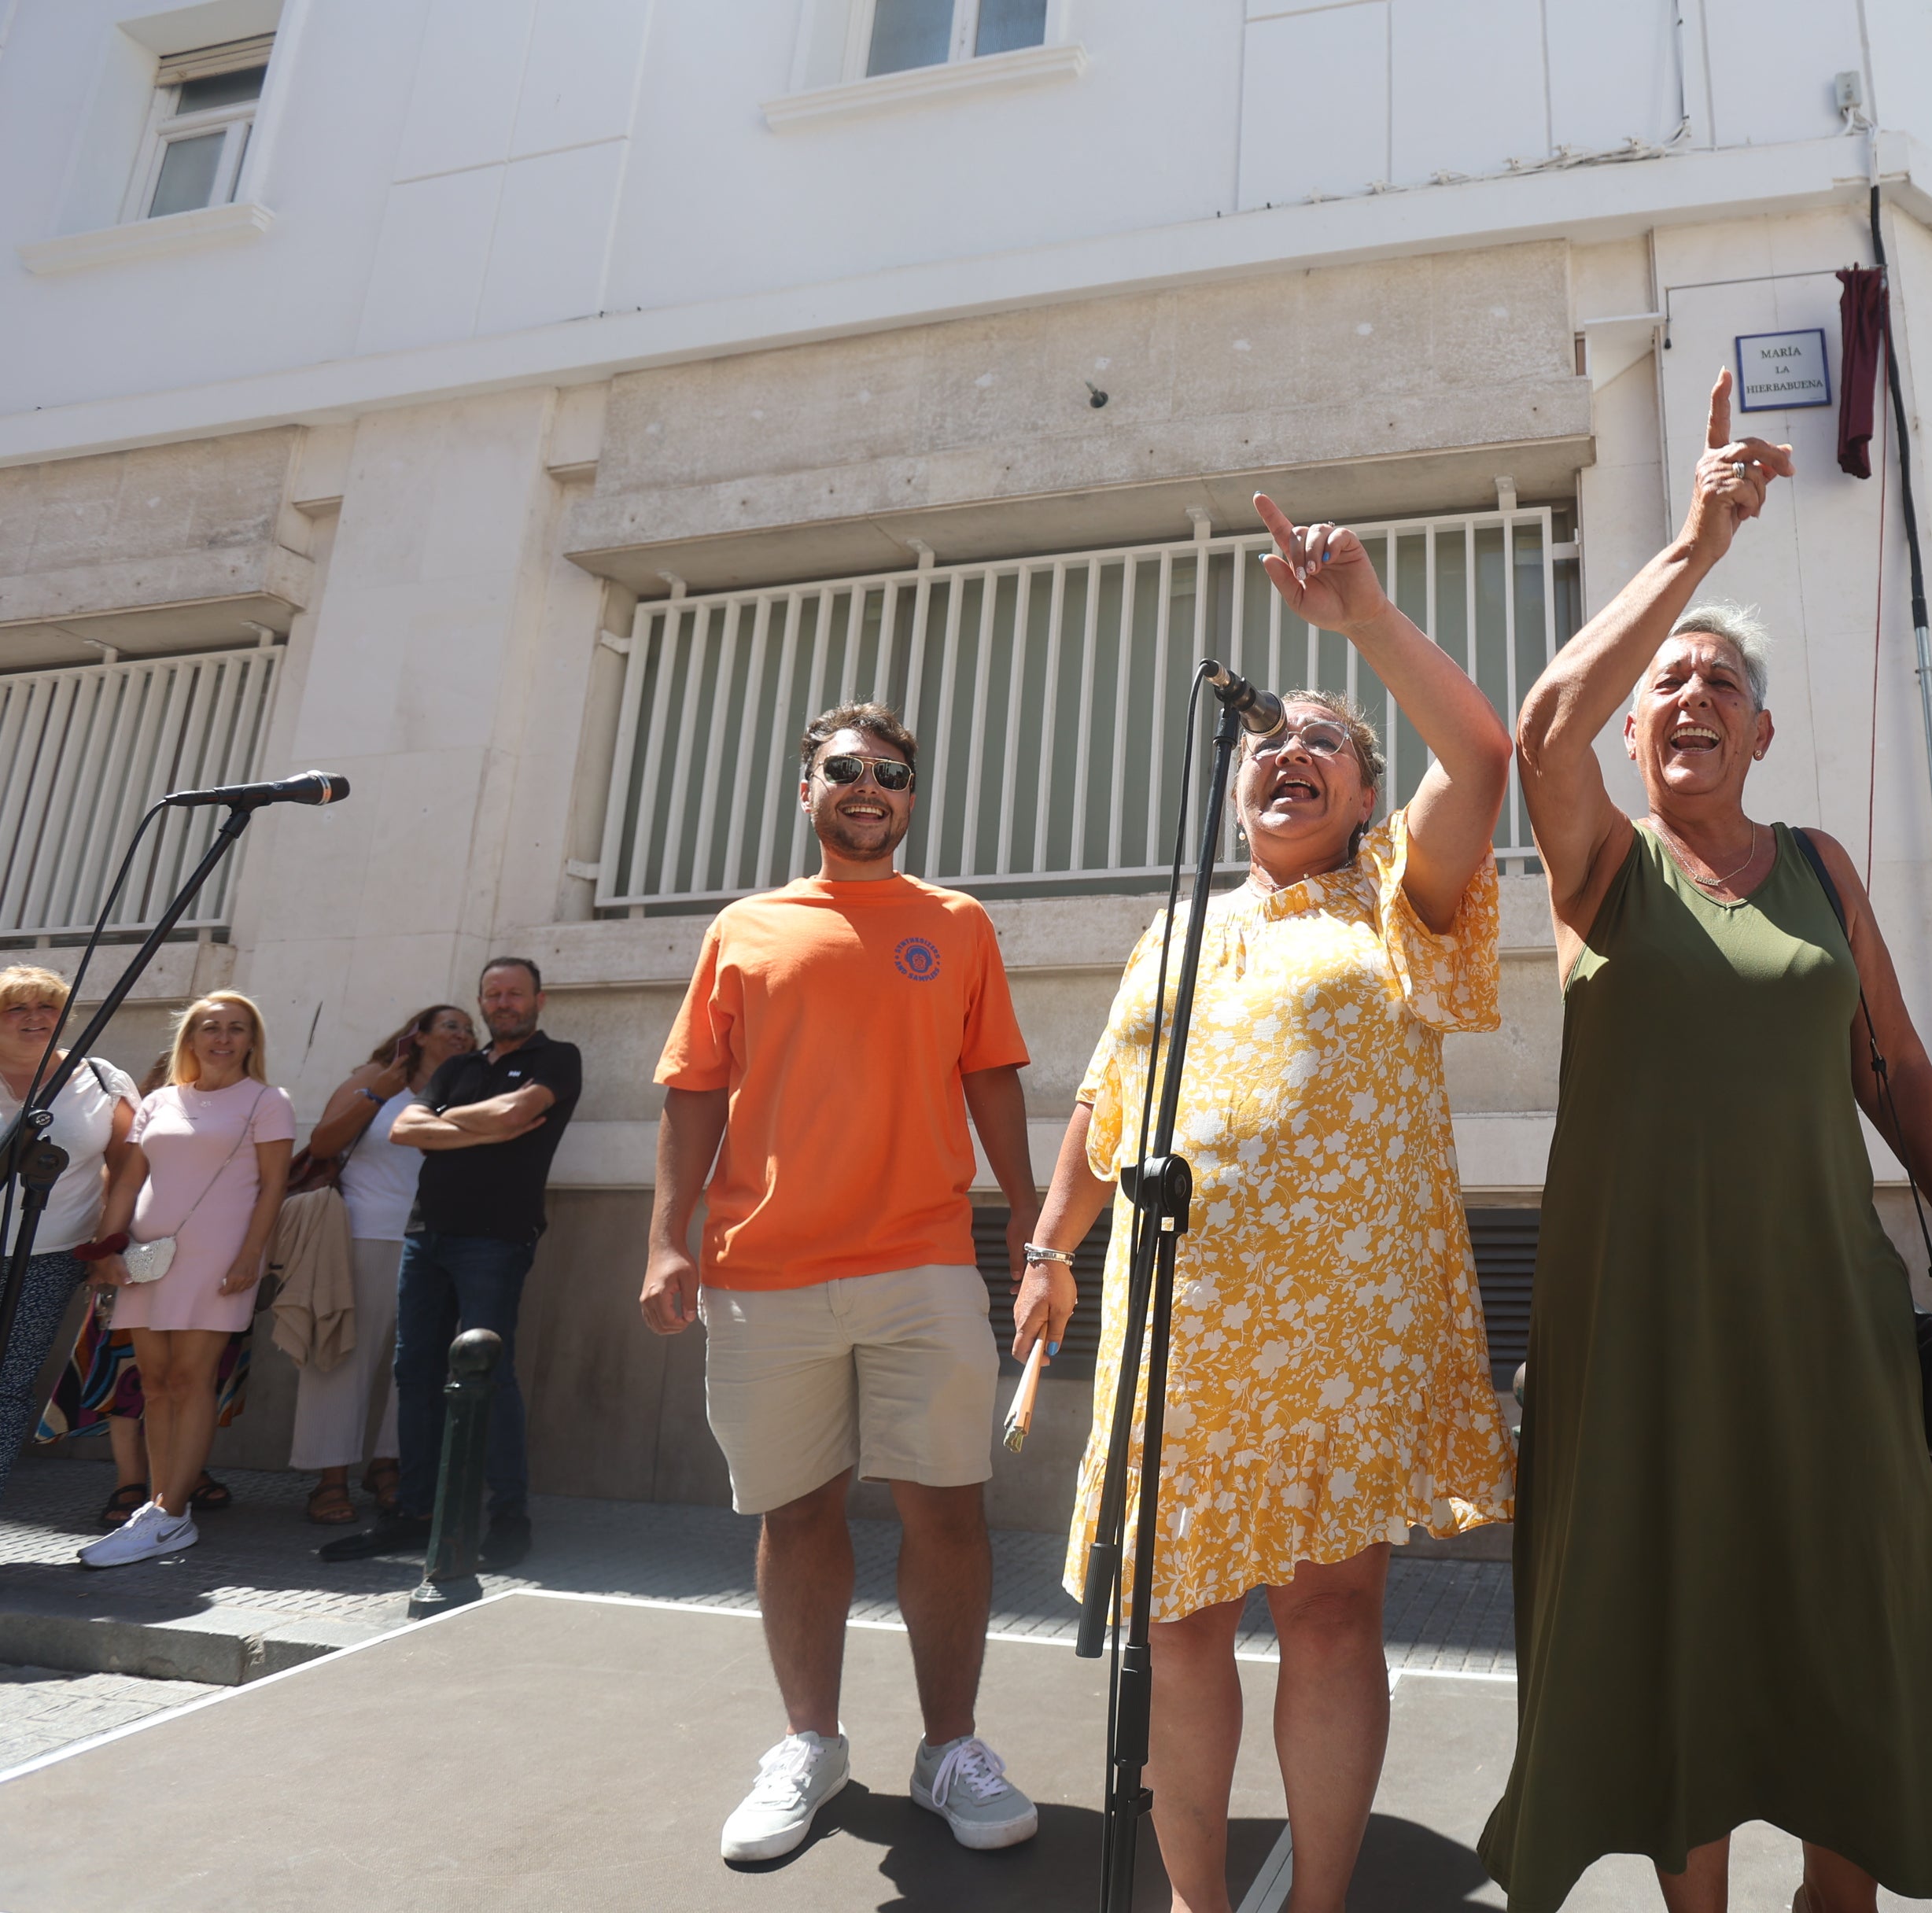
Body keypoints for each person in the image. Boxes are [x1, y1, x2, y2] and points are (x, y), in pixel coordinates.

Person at [1480, 372, 1932, 1913]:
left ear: (1762, 730)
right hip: (1638, 1324)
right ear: (1637, 730)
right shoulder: (1604, 871)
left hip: (1821, 1313)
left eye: (1720, 682)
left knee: (1850, 1606)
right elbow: (1540, 726)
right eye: (1669, 685)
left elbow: (1894, 1066)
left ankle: (1834, 1899)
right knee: (1671, 1623)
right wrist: (1695, 548)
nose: (1691, 694)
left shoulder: (1824, 871)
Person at [1009, 495, 1517, 1913]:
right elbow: (1108, 1113)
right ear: (1235, 787)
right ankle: (1192, 1900)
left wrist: (1361, 621)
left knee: (1330, 1607)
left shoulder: (1394, 900)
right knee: (1174, 1624)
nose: (1290, 751)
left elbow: (1481, 756)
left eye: (1325, 743)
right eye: (1267, 742)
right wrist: (1052, 1247)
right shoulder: (1175, 924)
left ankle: (1318, 1902)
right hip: (1178, 1323)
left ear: (1362, 796)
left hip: (1338, 1330)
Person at [645, 702, 1045, 1866]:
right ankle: (810, 1745)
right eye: (846, 770)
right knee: (798, 1512)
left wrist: (1031, 1214)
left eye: (893, 773)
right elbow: (692, 1095)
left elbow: (993, 1079)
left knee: (947, 1508)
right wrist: (665, 1239)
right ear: (806, 789)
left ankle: (951, 1748)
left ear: (912, 798)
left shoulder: (958, 925)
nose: (870, 785)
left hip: (923, 1260)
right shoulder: (745, 928)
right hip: (762, 1272)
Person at [324, 959, 580, 1570]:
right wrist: (483, 1131)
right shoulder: (461, 1067)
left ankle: (507, 1518)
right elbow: (406, 1129)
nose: (504, 1002)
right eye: (493, 994)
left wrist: (460, 1125)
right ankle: (417, 1512)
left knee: (490, 1376)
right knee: (415, 1374)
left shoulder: (556, 1058)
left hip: (496, 1238)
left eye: (515, 993)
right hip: (425, 1235)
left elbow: (519, 1115)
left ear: (538, 999)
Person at [77, 994, 293, 1569]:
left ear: (252, 1040)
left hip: (218, 1257)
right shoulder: (159, 1100)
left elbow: (273, 1186)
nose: (223, 1038)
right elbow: (126, 1183)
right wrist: (105, 1249)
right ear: (191, 1038)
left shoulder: (268, 1102)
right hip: (145, 1258)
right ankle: (159, 1509)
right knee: (152, 1383)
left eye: (236, 1029)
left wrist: (252, 1255)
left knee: (189, 1379)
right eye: (210, 1028)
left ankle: (171, 1514)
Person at [288, 1005, 476, 1523]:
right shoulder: (376, 1078)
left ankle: (388, 1467)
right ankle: (330, 1479)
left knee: (417, 1364)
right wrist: (380, 1092)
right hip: (362, 1234)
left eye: (469, 1029)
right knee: (341, 1356)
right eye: (451, 1026)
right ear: (419, 1036)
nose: (463, 1035)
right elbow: (323, 1143)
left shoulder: (469, 1087)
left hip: (436, 1240)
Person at [0, 967, 137, 1508]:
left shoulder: (102, 1081)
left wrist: (107, 1245)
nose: (36, 1018)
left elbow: (128, 1169)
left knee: (10, 1387)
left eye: (48, 1007)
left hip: (50, 1256)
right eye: (17, 1008)